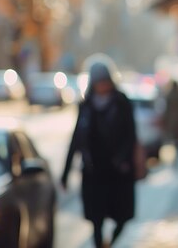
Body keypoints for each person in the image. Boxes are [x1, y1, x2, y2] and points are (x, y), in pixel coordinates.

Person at [61, 61, 137, 248]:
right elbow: (77, 138)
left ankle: (109, 242)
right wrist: (66, 172)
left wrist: (123, 159)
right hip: (93, 172)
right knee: (96, 219)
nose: (102, 85)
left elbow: (131, 135)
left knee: (122, 217)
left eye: (105, 81)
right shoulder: (86, 105)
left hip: (118, 172)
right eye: (98, 82)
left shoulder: (121, 102)